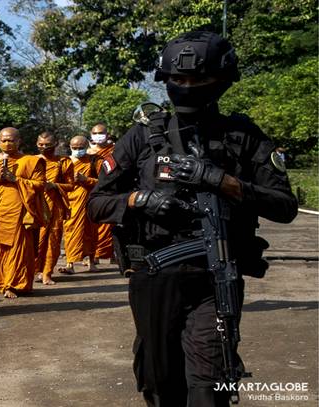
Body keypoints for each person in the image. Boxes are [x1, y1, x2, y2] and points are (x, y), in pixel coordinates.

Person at [87, 31, 298, 406]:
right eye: (177, 80)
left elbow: (284, 206)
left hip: (215, 277)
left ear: (222, 81)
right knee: (159, 379)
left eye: (198, 80)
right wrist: (140, 199)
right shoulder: (142, 136)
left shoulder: (243, 136)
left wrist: (223, 181)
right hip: (153, 275)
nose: (186, 88)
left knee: (210, 384)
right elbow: (97, 203)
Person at [0, 127, 47, 298]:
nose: (7, 143)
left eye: (11, 140)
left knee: (19, 248)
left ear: (19, 141)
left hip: (20, 211)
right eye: (3, 140)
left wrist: (16, 180)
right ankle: (4, 281)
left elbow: (41, 184)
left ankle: (15, 284)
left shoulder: (31, 161)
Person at [33, 132, 71, 285]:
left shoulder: (63, 162)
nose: (44, 147)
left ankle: (47, 272)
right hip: (36, 206)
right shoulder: (31, 161)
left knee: (53, 240)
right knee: (36, 240)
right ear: (36, 144)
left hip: (55, 207)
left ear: (55, 144)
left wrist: (54, 185)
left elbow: (71, 185)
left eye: (47, 145)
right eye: (41, 144)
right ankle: (35, 271)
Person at [60, 135, 100, 274]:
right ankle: (70, 264)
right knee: (70, 230)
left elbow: (102, 182)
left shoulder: (93, 161)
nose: (77, 150)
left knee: (90, 231)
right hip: (70, 200)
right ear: (70, 147)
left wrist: (86, 179)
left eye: (81, 148)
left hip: (88, 200)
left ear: (87, 147)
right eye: (74, 148)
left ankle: (91, 262)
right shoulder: (65, 162)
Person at [87, 123, 115, 265]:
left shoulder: (114, 150)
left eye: (101, 133)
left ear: (107, 135)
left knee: (110, 224)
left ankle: (111, 255)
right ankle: (95, 255)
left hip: (111, 190)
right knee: (94, 225)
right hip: (92, 191)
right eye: (95, 133)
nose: (98, 136)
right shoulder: (88, 153)